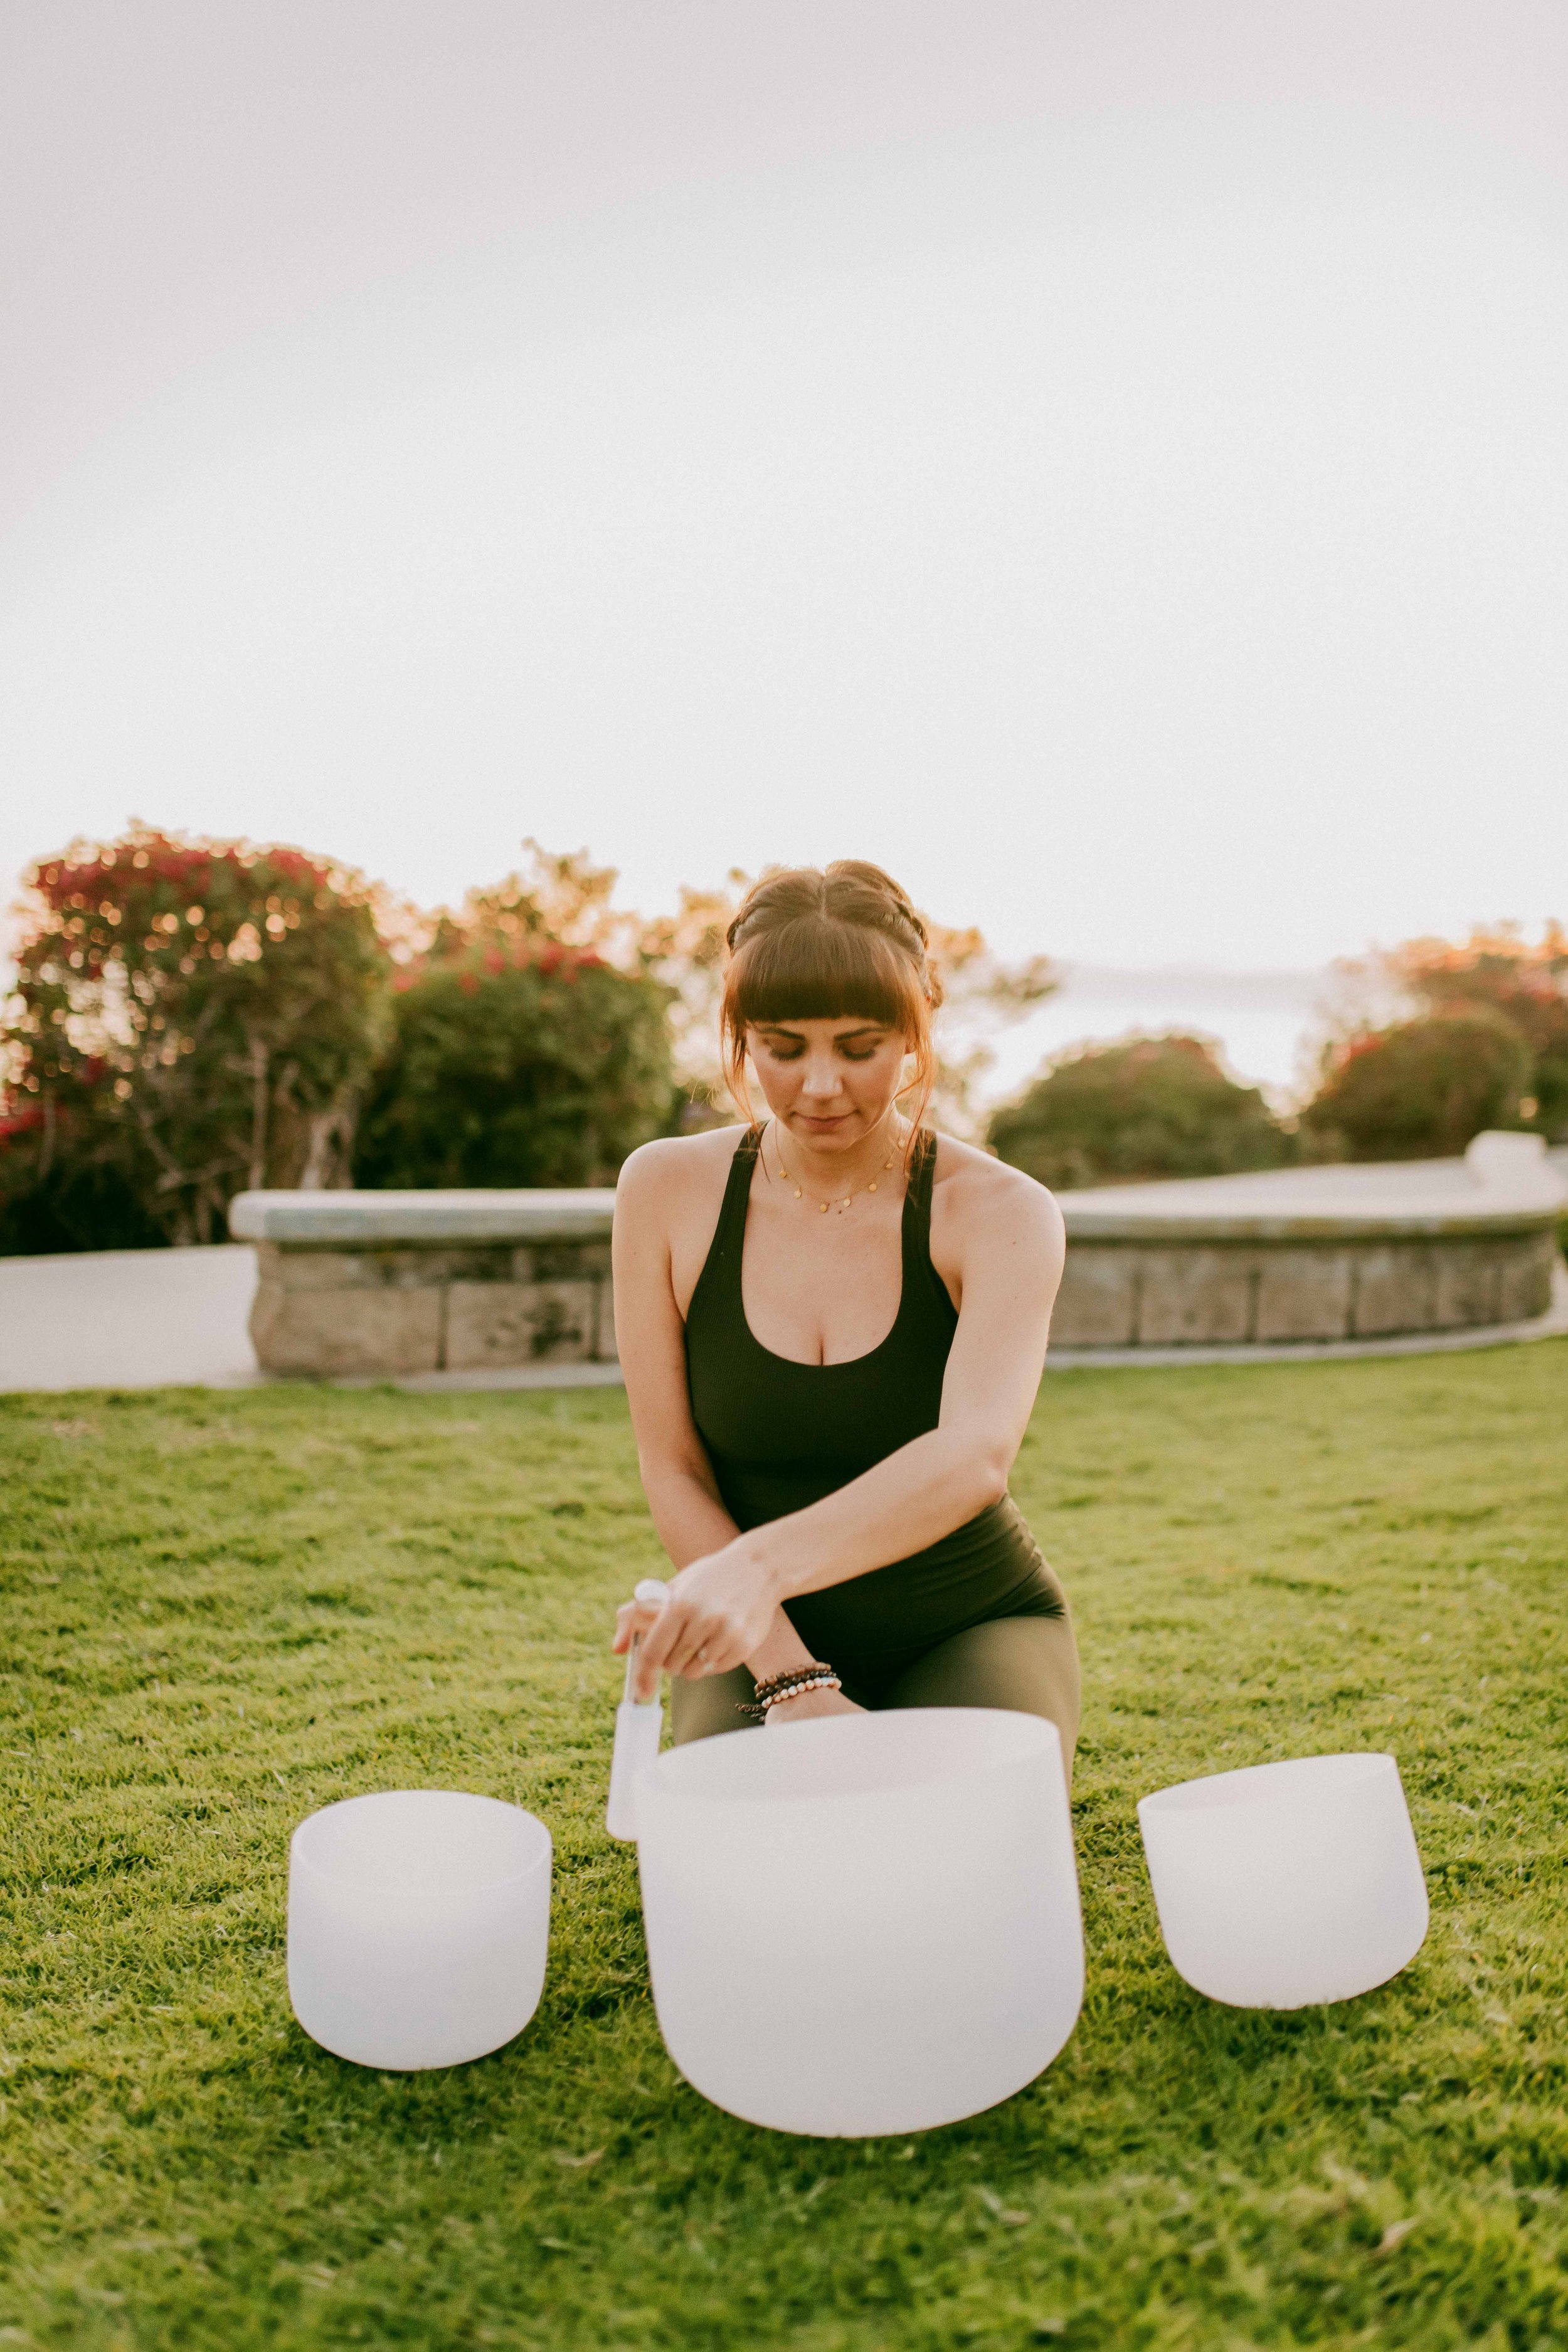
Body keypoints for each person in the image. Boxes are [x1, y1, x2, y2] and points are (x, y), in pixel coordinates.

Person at [610, 860, 1079, 1767]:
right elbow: (673, 1469)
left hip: (969, 1619)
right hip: (754, 1634)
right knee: (759, 1876)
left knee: (965, 1857)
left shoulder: (1002, 1212)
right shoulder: (664, 1190)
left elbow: (974, 1456)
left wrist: (748, 1568)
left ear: (917, 1028)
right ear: (742, 1037)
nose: (820, 1085)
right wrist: (788, 1676)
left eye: (860, 1046)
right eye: (783, 1046)